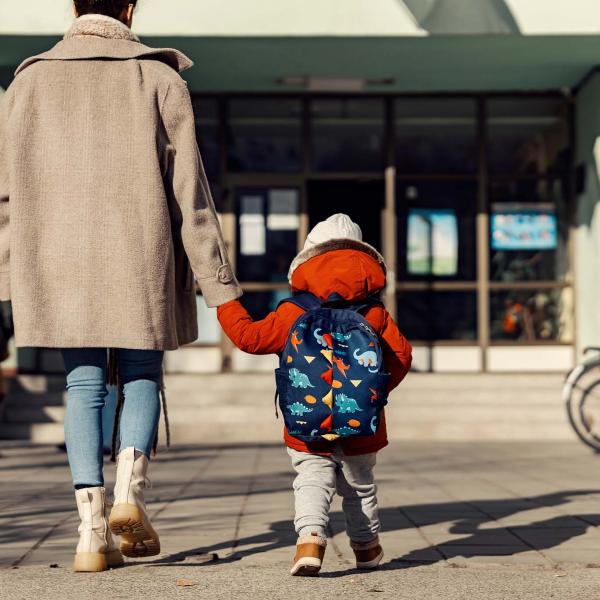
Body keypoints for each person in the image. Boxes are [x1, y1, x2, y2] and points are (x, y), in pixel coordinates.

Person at [0, 1, 241, 572]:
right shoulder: (157, 77)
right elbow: (192, 196)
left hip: (59, 262)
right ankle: (130, 493)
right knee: (141, 375)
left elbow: (6, 194)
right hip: (141, 253)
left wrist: (9, 276)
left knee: (82, 385)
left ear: (74, 8)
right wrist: (219, 286)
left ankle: (90, 533)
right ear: (130, 8)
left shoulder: (28, 82)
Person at [218, 214, 412, 576]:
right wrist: (375, 394)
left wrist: (224, 301)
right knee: (360, 485)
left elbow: (249, 338)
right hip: (362, 423)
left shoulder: (293, 311)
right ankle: (367, 549)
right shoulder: (375, 314)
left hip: (305, 419)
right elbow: (402, 356)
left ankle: (309, 542)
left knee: (311, 478)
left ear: (306, 263)